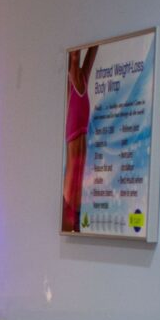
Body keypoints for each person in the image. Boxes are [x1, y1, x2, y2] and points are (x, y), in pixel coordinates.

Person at [61, 43, 98, 232]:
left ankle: (74, 216)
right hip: (69, 203)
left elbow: (93, 49)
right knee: (74, 167)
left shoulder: (83, 78)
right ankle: (69, 216)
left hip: (77, 204)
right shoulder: (73, 78)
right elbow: (75, 55)